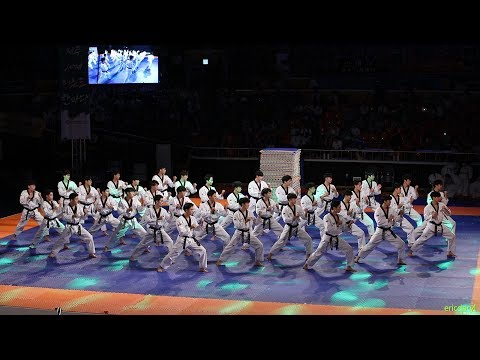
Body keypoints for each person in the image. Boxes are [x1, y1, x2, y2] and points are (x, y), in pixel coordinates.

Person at [303, 200, 356, 272]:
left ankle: (349, 266)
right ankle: (307, 264)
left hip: (336, 237)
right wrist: (337, 224)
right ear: (334, 208)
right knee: (319, 252)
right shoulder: (326, 217)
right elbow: (328, 229)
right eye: (339, 207)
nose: (340, 208)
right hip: (327, 238)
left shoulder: (340, 217)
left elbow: (344, 228)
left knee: (349, 249)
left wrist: (349, 224)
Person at [354, 195, 407, 266]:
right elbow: (379, 222)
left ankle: (400, 259)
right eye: (389, 201)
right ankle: (358, 257)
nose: (390, 202)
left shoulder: (391, 209)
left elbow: (397, 219)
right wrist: (389, 219)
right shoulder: (378, 211)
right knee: (370, 245)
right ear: (385, 201)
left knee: (401, 244)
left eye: (390, 201)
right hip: (380, 232)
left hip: (388, 231)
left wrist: (400, 215)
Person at [157, 203, 208, 273]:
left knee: (203, 250)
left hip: (191, 239)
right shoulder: (179, 220)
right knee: (173, 254)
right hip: (182, 240)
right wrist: (191, 227)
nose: (193, 211)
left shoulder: (192, 218)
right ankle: (162, 266)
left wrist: (201, 226)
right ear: (186, 210)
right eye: (191, 209)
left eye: (193, 209)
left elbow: (197, 229)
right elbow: (182, 232)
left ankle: (202, 267)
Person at [216, 197, 264, 267]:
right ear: (242, 204)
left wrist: (259, 216)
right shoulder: (236, 214)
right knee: (230, 247)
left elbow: (256, 223)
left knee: (259, 245)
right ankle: (220, 260)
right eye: (247, 203)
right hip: (239, 233)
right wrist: (246, 221)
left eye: (248, 203)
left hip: (248, 233)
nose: (248, 204)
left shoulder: (250, 212)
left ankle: (258, 261)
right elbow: (237, 225)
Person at [48, 193, 97, 259]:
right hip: (69, 226)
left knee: (89, 237)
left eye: (77, 199)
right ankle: (53, 253)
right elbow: (64, 217)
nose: (78, 200)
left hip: (78, 226)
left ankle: (91, 253)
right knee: (62, 240)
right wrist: (72, 216)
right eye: (76, 199)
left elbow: (83, 218)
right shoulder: (66, 207)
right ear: (71, 200)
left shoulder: (79, 206)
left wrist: (85, 214)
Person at [408, 191, 456, 258]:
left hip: (440, 225)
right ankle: (411, 250)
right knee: (422, 240)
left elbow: (449, 213)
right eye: (438, 197)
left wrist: (446, 211)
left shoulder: (442, 205)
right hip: (431, 227)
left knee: (452, 236)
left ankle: (450, 252)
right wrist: (432, 216)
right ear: (434, 197)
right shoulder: (427, 207)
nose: (440, 198)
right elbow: (426, 218)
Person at [267, 193, 313, 261]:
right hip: (288, 228)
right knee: (281, 241)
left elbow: (304, 217)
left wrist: (305, 212)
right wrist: (294, 218)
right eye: (294, 199)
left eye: (295, 199)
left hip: (297, 227)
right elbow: (285, 220)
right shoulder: (285, 209)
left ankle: (308, 254)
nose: (295, 200)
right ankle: (270, 253)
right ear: (289, 200)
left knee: (308, 239)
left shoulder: (298, 207)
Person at [130, 195, 173, 261]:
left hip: (161, 230)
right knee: (143, 245)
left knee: (170, 241)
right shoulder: (149, 210)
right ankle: (133, 256)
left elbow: (169, 220)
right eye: (161, 201)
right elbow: (147, 221)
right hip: (152, 231)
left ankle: (170, 258)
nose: (162, 202)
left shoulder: (163, 210)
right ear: (156, 201)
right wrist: (157, 219)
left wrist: (172, 215)